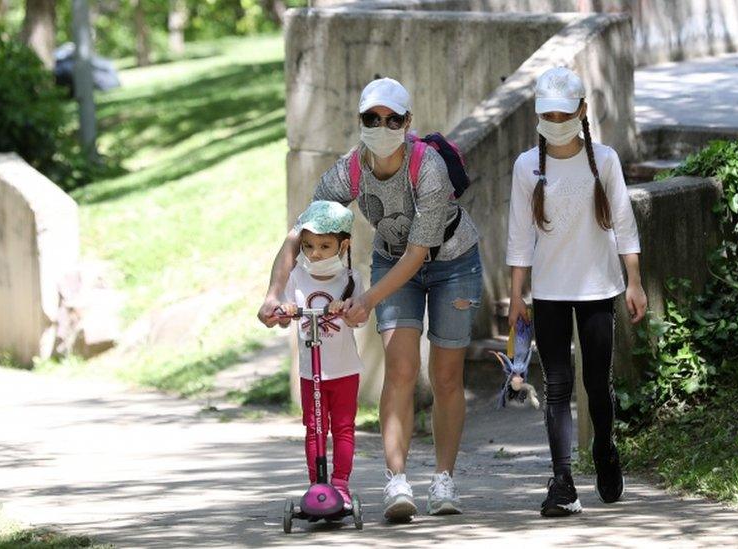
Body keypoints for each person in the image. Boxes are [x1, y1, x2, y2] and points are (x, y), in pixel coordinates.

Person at [258, 78, 482, 521]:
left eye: (392, 119)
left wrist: (368, 300)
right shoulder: (351, 170)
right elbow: (300, 231)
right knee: (400, 367)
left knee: (446, 375)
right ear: (361, 122)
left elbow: (420, 253)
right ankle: (397, 482)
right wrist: (274, 293)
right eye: (372, 119)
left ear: (407, 123)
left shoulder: (429, 168)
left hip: (453, 263)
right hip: (392, 259)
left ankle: (443, 479)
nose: (382, 126)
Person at [506, 67, 648, 517]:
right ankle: (562, 480)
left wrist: (635, 281)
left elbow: (623, 222)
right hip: (548, 291)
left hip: (597, 288)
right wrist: (516, 294)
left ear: (582, 111)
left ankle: (605, 449)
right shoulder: (526, 165)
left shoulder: (604, 160)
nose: (555, 119)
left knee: (596, 384)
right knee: (556, 387)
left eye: (563, 112)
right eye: (546, 113)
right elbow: (518, 235)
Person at [278, 200, 364, 509]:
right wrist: (286, 310)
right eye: (309, 245)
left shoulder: (351, 280)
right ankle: (317, 484)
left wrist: (347, 310)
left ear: (344, 245)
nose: (315, 253)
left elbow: (360, 317)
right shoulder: (297, 278)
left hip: (343, 370)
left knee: (343, 427)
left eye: (325, 246)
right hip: (309, 372)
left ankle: (340, 483)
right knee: (314, 427)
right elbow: (283, 312)